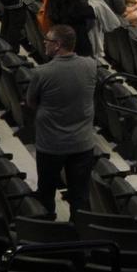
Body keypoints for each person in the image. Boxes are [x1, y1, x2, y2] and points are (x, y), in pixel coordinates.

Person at [26, 25, 100, 216]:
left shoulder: (41, 73)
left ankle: (49, 232)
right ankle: (80, 234)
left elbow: (31, 102)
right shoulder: (91, 65)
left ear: (58, 45)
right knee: (80, 196)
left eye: (48, 40)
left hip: (52, 145)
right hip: (82, 144)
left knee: (46, 192)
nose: (44, 42)